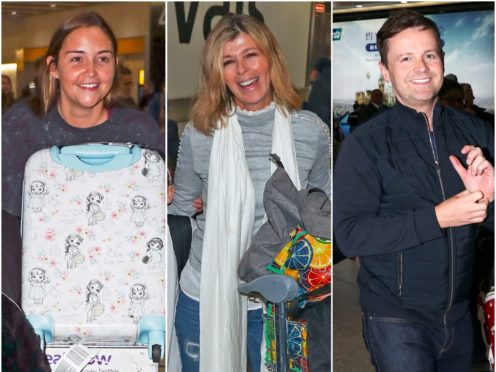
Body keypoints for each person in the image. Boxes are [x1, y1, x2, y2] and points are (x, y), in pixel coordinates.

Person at [169, 13, 331, 372]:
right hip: (205, 291)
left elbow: (327, 211)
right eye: (228, 61)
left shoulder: (311, 132)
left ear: (270, 57)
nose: (242, 70)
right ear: (218, 73)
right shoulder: (200, 133)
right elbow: (182, 207)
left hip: (279, 297)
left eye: (250, 55)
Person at [334, 9, 494, 372]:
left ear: (441, 60)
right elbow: (349, 236)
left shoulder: (477, 133)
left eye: (429, 55)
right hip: (396, 321)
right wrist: (438, 218)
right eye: (405, 58)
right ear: (386, 72)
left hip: (460, 314)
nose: (421, 67)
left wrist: (492, 196)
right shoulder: (366, 144)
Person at [2, 11, 164, 307]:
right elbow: (8, 226)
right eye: (77, 59)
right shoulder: (22, 126)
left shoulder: (138, 132)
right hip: (35, 291)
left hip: (118, 290)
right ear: (53, 67)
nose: (91, 72)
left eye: (102, 59)